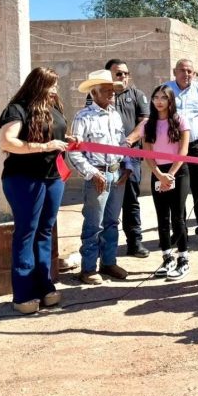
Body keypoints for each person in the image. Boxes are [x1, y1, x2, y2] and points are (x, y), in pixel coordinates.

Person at [0, 67, 71, 314]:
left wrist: (69, 140)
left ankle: (44, 286)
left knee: (45, 231)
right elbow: (8, 141)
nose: (55, 90)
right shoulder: (17, 108)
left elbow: (56, 134)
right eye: (51, 85)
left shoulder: (53, 107)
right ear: (39, 85)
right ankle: (23, 294)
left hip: (53, 177)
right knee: (26, 232)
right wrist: (44, 146)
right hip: (24, 179)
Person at [68, 70, 132, 285]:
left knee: (112, 221)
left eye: (112, 90)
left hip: (116, 173)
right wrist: (92, 173)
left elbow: (123, 143)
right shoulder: (83, 117)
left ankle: (109, 262)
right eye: (105, 90)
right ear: (94, 93)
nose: (111, 94)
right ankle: (88, 268)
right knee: (93, 224)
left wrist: (128, 166)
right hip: (97, 175)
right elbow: (74, 151)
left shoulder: (115, 114)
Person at [91, 59, 150, 258]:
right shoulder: (97, 96)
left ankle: (135, 242)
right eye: (118, 74)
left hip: (130, 157)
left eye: (125, 73)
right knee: (103, 203)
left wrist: (128, 141)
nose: (123, 77)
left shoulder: (137, 95)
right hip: (103, 160)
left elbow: (145, 122)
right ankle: (103, 248)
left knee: (131, 201)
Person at [137, 85, 191, 281]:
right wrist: (159, 174)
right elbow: (148, 153)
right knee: (162, 218)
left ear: (170, 101)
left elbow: (183, 151)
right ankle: (167, 256)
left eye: (163, 97)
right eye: (155, 97)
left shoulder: (180, 121)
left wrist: (171, 174)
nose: (159, 101)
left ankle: (183, 259)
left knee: (178, 217)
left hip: (178, 171)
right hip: (158, 172)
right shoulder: (147, 124)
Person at [164, 59, 198, 247]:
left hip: (197, 145)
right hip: (173, 147)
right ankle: (179, 232)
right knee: (176, 190)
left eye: (190, 71)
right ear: (175, 71)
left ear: (194, 74)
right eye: (183, 70)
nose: (186, 74)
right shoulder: (165, 90)